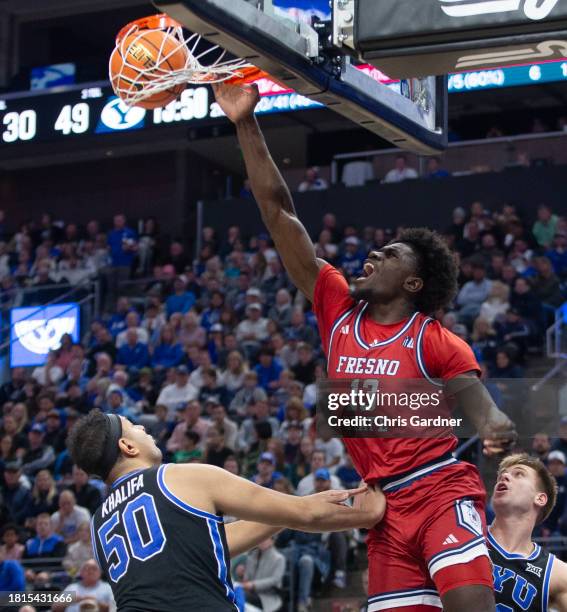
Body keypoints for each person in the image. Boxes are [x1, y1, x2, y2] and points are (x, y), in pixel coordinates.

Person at [212, 81, 516, 612]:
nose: (374, 252)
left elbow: (479, 406)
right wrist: (244, 123)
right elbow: (280, 213)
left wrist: (493, 427)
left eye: (391, 254)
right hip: (380, 505)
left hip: (438, 489)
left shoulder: (435, 340)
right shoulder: (336, 306)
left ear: (414, 284)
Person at [67, 410, 383, 611]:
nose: (145, 429)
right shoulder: (182, 476)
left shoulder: (97, 524)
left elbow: (203, 547)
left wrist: (285, 514)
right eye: (135, 426)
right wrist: (365, 515)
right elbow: (308, 515)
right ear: (128, 446)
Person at [489, 454, 567, 610]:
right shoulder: (465, 537)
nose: (504, 476)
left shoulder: (556, 573)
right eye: (502, 475)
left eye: (518, 474)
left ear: (540, 499)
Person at [238, 537, 286, 612]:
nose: (262, 541)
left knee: (240, 597)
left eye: (266, 538)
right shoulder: (252, 555)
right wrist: (242, 575)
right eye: (262, 538)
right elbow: (247, 579)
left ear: (272, 541)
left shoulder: (279, 558)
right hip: (251, 593)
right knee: (234, 594)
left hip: (267, 597)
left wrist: (253, 585)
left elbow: (275, 580)